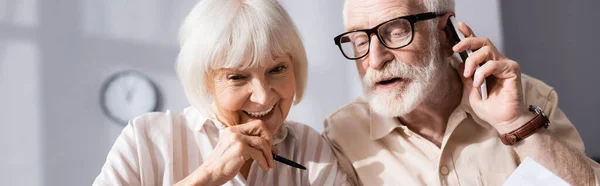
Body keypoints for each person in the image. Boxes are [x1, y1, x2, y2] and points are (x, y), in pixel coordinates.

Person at [323, 0, 600, 185]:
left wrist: (516, 124)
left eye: (396, 32)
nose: (374, 60)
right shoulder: (343, 134)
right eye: (359, 41)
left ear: (444, 33)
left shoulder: (526, 98)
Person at [93, 0, 348, 185]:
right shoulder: (145, 140)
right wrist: (210, 175)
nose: (262, 96)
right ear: (204, 80)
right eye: (237, 76)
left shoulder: (309, 148)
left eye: (277, 69)